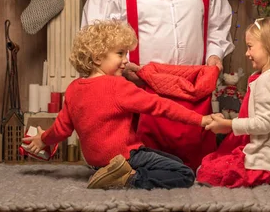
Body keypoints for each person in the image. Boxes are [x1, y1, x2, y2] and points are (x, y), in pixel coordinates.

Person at [81, 0, 234, 169]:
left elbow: (218, 24)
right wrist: (120, 70)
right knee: (141, 168)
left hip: (192, 92)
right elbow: (95, 36)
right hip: (138, 90)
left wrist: (215, 56)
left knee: (197, 169)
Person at [22, 20, 213, 189]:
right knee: (184, 173)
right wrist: (201, 119)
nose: (125, 61)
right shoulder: (118, 85)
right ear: (97, 58)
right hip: (125, 157)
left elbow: (61, 129)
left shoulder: (73, 89)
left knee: (174, 161)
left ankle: (112, 173)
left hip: (96, 162)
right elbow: (161, 106)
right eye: (120, 54)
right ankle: (128, 179)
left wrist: (43, 139)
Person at [197, 16, 270, 188]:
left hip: (263, 158)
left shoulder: (266, 81)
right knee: (213, 163)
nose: (246, 53)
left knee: (209, 171)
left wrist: (229, 124)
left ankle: (264, 176)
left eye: (250, 47)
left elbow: (264, 124)